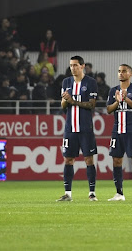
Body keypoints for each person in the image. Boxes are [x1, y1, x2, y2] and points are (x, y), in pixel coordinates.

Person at [56, 55, 99, 202]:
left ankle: (92, 193)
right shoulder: (66, 82)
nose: (73, 68)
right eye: (71, 65)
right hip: (70, 128)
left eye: (75, 65)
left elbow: (92, 104)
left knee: (89, 159)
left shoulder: (91, 82)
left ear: (82, 66)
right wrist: (65, 100)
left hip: (85, 128)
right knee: (68, 160)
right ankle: (68, 193)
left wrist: (73, 101)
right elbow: (63, 106)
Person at [106, 64, 132, 202]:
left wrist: (126, 99)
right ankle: (119, 193)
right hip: (117, 131)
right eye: (119, 71)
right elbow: (108, 109)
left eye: (124, 71)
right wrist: (118, 102)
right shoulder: (113, 91)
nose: (121, 74)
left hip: (131, 130)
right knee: (116, 160)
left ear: (130, 74)